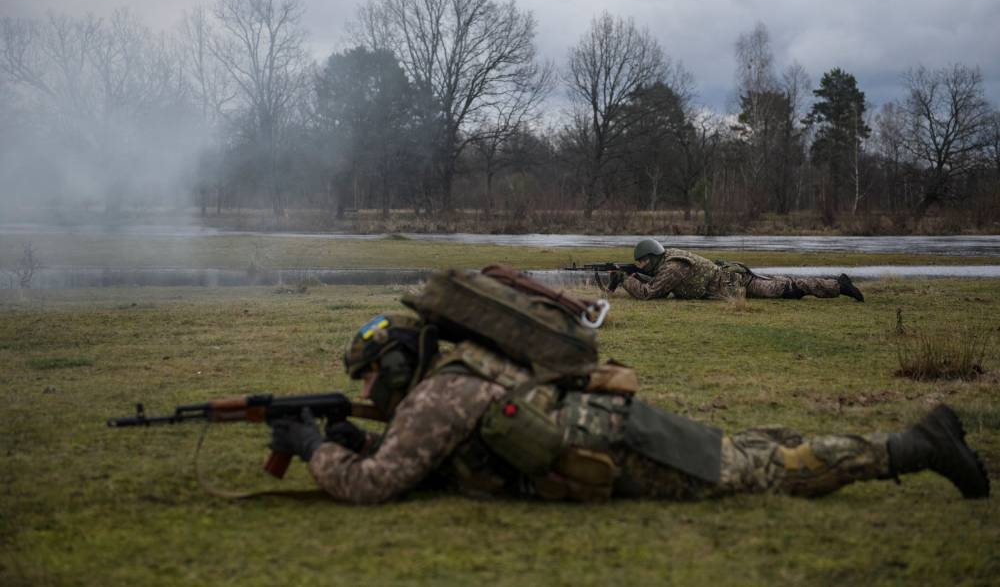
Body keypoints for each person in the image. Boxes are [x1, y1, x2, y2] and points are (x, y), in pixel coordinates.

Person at [270, 312, 989, 504]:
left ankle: (915, 447)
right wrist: (358, 442)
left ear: (397, 366)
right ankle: (902, 441)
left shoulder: (437, 394)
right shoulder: (451, 378)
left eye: (370, 379)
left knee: (765, 471)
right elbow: (421, 461)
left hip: (619, 447)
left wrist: (314, 449)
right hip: (611, 432)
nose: (368, 395)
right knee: (751, 448)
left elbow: (374, 489)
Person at [609, 239, 865, 302]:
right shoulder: (668, 259)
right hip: (732, 280)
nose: (642, 266)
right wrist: (632, 274)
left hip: (737, 283)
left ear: (652, 258)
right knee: (787, 284)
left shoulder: (673, 266)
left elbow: (650, 293)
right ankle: (837, 283)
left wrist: (626, 280)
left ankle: (840, 286)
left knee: (788, 289)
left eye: (643, 263)